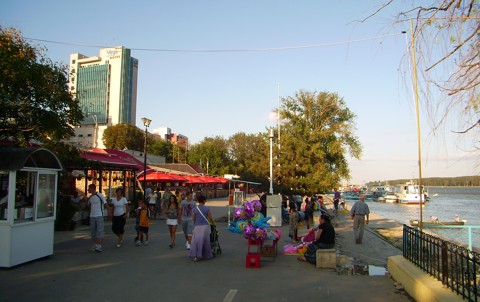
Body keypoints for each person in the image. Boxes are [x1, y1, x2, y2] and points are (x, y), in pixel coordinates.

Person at [189, 195, 215, 262]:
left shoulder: (194, 209)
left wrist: (196, 222)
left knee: (196, 241)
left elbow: (193, 218)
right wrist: (213, 223)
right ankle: (205, 254)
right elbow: (210, 218)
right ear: (204, 201)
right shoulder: (207, 208)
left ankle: (195, 256)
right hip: (205, 227)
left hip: (197, 226)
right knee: (205, 241)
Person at [87, 184, 110, 253]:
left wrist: (109, 212)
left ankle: (99, 245)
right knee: (93, 231)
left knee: (99, 230)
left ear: (93, 188)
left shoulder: (100, 195)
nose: (88, 190)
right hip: (92, 216)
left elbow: (106, 204)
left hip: (99, 215)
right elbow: (88, 205)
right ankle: (95, 244)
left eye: (89, 188)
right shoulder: (90, 197)